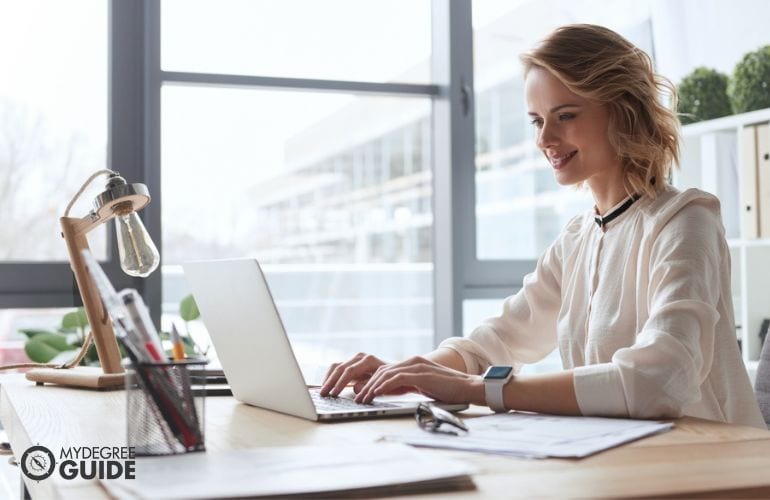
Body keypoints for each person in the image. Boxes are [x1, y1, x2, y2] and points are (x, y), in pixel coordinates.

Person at [320, 24, 765, 429]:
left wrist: (483, 391)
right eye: (537, 121)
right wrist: (411, 371)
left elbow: (658, 379)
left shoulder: (685, 220)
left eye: (566, 115)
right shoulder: (578, 238)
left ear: (622, 111)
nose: (544, 139)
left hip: (715, 469)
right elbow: (494, 341)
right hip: (624, 466)